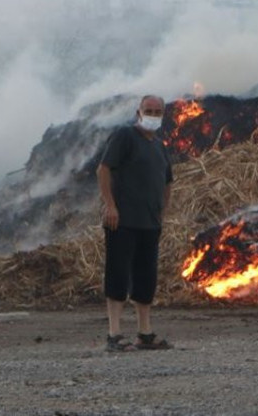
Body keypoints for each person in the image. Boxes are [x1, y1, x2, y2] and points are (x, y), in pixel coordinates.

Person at [97, 94, 174, 352]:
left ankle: (145, 333)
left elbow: (167, 181)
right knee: (118, 273)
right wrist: (110, 206)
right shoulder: (125, 137)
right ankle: (114, 334)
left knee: (146, 276)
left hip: (150, 223)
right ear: (138, 112)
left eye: (157, 111)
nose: (152, 115)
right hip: (122, 220)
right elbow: (103, 169)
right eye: (148, 110)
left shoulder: (160, 146)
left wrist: (162, 211)